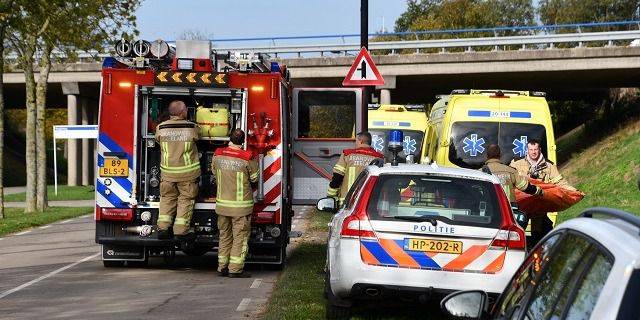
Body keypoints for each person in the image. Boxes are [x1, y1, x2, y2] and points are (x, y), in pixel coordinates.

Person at [212, 129, 258, 278]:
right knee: (240, 238)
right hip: (241, 208)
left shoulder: (217, 154)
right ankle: (235, 269)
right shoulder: (247, 157)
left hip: (222, 206)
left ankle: (222, 267)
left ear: (229, 139)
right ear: (243, 141)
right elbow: (254, 179)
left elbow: (213, 172)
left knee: (224, 236)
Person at [511, 139, 576, 244]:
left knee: (542, 233)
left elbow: (559, 181)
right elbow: (509, 179)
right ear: (527, 150)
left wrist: (572, 191)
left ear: (539, 149)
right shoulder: (517, 163)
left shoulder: (549, 166)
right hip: (523, 205)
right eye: (531, 149)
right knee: (517, 231)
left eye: (535, 149)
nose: (533, 152)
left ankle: (540, 250)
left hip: (539, 206)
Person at [155, 100, 200, 240]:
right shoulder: (192, 127)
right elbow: (199, 136)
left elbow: (158, 141)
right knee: (185, 200)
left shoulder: (160, 128)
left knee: (167, 199)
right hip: (188, 174)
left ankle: (163, 228)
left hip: (167, 174)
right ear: (182, 113)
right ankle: (180, 231)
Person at [327, 132, 384, 204]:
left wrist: (331, 195)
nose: (355, 143)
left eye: (356, 141)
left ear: (361, 141)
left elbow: (338, 176)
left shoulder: (348, 154)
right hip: (368, 202)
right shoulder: (379, 158)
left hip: (348, 202)